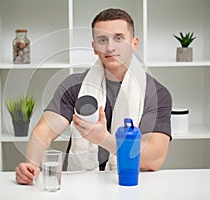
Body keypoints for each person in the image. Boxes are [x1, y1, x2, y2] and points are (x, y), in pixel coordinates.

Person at [15, 8, 172, 185]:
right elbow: (44, 131)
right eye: (102, 40)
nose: (110, 47)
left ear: (134, 43)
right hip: (79, 186)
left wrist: (104, 139)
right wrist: (30, 165)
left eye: (118, 38)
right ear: (94, 47)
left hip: (131, 184)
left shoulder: (156, 93)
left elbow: (154, 159)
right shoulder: (74, 86)